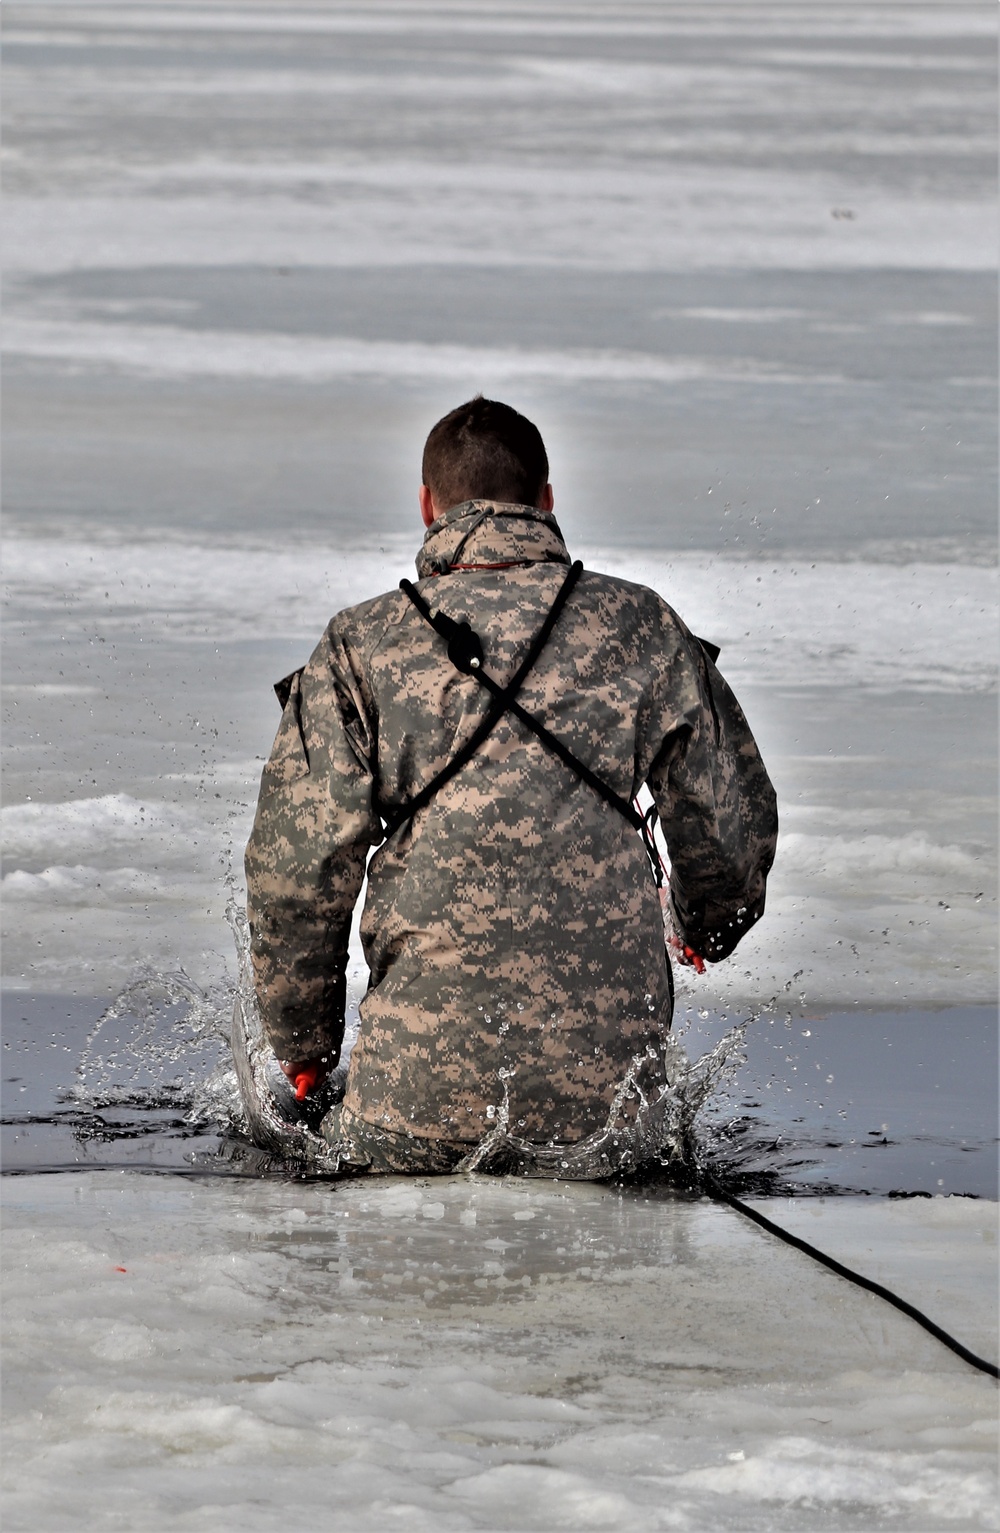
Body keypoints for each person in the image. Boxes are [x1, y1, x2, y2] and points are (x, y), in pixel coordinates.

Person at [244, 397, 777, 1175]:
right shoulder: (642, 625)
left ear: (427, 505)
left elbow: (297, 874)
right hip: (613, 1125)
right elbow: (730, 838)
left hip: (406, 1116)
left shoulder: (361, 644)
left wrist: (305, 1052)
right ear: (548, 499)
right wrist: (706, 927)